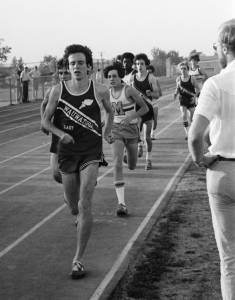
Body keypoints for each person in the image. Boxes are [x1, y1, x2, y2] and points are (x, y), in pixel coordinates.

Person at [41, 44, 114, 279]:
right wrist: (60, 134)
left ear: (89, 66)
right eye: (72, 63)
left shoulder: (100, 90)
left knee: (85, 205)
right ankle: (72, 206)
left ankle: (78, 259)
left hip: (91, 152)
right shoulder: (57, 91)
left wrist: (107, 130)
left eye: (81, 63)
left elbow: (110, 112)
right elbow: (45, 122)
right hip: (67, 153)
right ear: (68, 67)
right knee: (74, 206)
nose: (76, 67)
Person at [188, 19, 235, 300]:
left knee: (230, 260)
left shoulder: (216, 83)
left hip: (224, 170)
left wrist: (199, 159)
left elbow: (195, 136)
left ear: (225, 46)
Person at [104, 63, 148, 216]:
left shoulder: (129, 90)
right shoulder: (106, 93)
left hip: (132, 131)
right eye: (109, 77)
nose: (112, 79)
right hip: (116, 130)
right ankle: (121, 203)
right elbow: (106, 113)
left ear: (120, 76)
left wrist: (131, 116)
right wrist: (106, 129)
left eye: (114, 76)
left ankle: (128, 153)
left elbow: (145, 108)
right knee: (116, 165)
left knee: (132, 166)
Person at [40, 58, 71, 184]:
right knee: (57, 174)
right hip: (58, 134)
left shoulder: (83, 90)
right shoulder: (53, 90)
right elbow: (43, 104)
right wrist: (43, 122)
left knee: (77, 175)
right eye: (61, 73)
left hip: (79, 136)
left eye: (66, 73)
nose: (63, 76)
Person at [131, 53, 162, 170]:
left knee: (147, 137)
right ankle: (139, 145)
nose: (139, 66)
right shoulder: (132, 78)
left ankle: (148, 160)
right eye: (137, 64)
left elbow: (158, 95)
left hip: (148, 109)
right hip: (136, 110)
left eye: (142, 64)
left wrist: (151, 94)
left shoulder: (151, 78)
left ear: (146, 65)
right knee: (135, 134)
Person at [174, 61, 200, 140]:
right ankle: (188, 133)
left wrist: (195, 96)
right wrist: (175, 94)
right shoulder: (178, 79)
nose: (183, 70)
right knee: (183, 115)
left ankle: (192, 131)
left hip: (191, 99)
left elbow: (198, 88)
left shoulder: (192, 78)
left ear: (187, 69)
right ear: (180, 70)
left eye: (184, 68)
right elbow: (177, 88)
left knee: (192, 118)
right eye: (181, 69)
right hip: (182, 99)